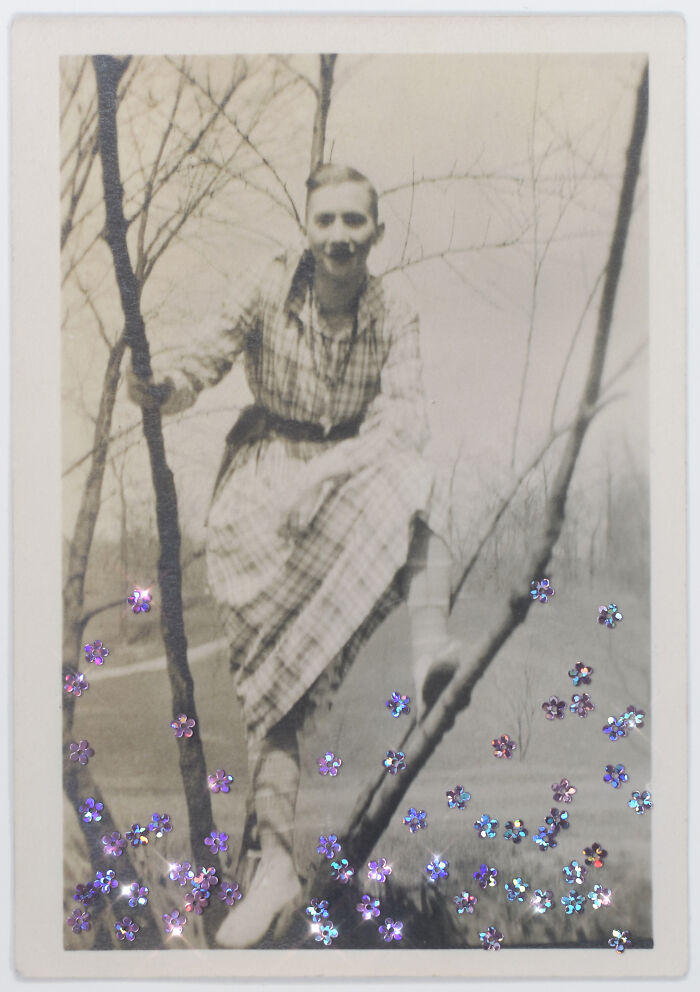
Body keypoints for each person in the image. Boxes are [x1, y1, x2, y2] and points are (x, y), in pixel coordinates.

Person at [128, 163, 461, 947]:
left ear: (377, 232)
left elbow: (405, 420)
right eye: (326, 222)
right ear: (307, 230)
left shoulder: (394, 312)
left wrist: (335, 470)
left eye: (355, 221)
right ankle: (274, 862)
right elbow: (203, 359)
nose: (341, 236)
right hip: (264, 491)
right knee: (272, 690)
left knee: (414, 491)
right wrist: (164, 383)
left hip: (343, 478)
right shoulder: (267, 286)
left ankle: (429, 651)